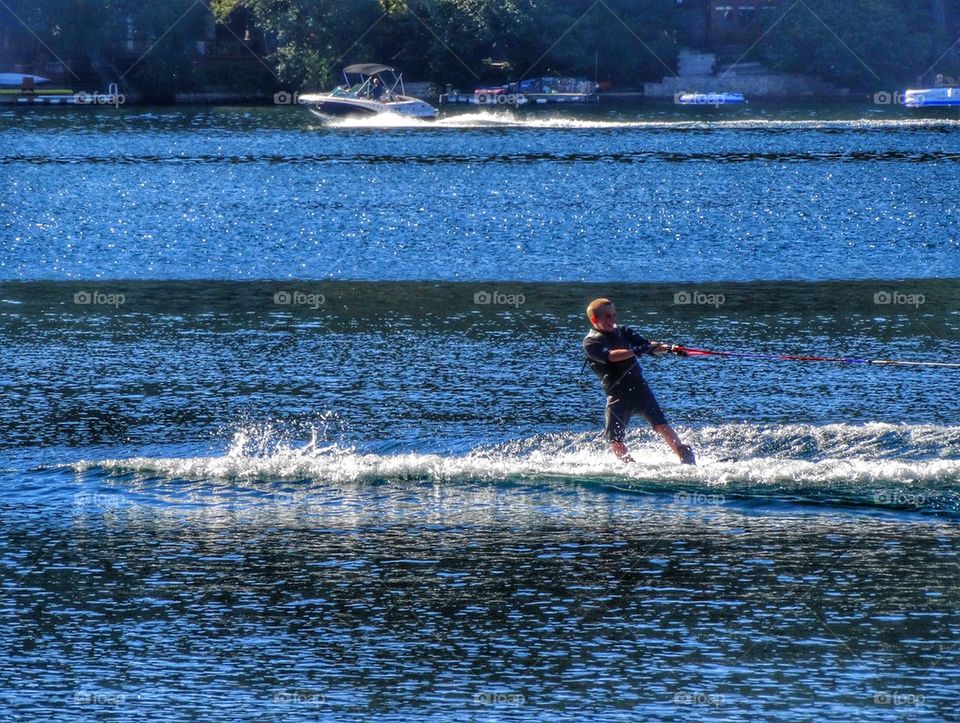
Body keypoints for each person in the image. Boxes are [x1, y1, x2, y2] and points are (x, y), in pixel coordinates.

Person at [583, 298, 696, 464]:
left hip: (640, 388)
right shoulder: (591, 342)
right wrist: (636, 350)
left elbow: (647, 346)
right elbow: (612, 357)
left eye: (614, 315)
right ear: (595, 319)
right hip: (618, 395)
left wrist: (671, 349)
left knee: (661, 426)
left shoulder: (623, 331)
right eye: (608, 316)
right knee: (615, 440)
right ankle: (630, 466)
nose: (612, 319)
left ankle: (685, 459)